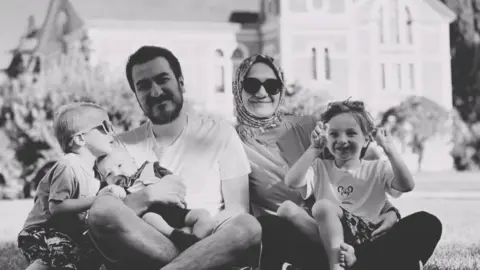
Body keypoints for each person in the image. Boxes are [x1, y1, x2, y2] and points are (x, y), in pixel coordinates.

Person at [232, 54, 443, 270]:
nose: (261, 92)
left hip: (352, 228)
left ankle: (354, 261)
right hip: (298, 236)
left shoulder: (308, 127)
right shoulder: (231, 141)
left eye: (271, 85)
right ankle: (371, 263)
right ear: (238, 88)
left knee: (426, 223)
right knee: (269, 228)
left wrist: (390, 213)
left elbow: (354, 173)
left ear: (281, 88)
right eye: (251, 84)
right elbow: (235, 208)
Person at [86, 46, 262, 270]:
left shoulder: (220, 133)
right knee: (101, 211)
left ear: (181, 82)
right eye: (144, 86)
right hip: (150, 244)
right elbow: (109, 216)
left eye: (163, 79)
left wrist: (198, 238)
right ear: (136, 95)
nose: (156, 91)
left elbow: (237, 208)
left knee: (248, 227)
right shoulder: (120, 146)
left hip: (206, 239)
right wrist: (149, 195)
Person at [283, 100, 415, 270]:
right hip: (329, 234)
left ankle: (336, 266)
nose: (342, 140)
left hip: (366, 233)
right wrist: (313, 150)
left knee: (323, 207)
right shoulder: (319, 167)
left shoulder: (377, 167)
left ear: (367, 138)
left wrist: (389, 150)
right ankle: (348, 257)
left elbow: (407, 185)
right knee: (286, 208)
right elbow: (291, 182)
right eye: (334, 134)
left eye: (351, 133)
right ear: (326, 137)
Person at [17, 102, 116, 270]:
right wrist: (98, 199)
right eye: (104, 127)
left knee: (90, 256)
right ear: (80, 139)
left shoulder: (95, 173)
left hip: (65, 234)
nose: (112, 132)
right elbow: (57, 206)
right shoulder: (68, 165)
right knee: (59, 255)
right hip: (41, 231)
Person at [95, 147, 215, 251]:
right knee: (150, 218)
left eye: (120, 165)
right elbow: (108, 204)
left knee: (203, 215)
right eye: (109, 174)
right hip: (157, 225)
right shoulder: (117, 191)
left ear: (133, 162)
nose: (116, 173)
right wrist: (111, 190)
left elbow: (175, 181)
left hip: (177, 212)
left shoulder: (152, 168)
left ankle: (196, 242)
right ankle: (177, 236)